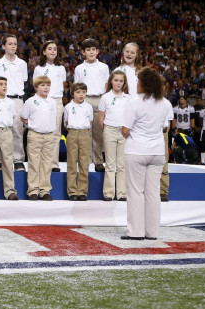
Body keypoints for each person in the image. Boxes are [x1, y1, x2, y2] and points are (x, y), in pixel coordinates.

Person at [121, 67, 173, 240]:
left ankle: (136, 232)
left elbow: (125, 130)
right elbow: (165, 127)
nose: (136, 84)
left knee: (135, 192)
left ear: (144, 83)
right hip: (157, 152)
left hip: (137, 151)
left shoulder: (134, 102)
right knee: (153, 192)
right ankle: (152, 232)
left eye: (138, 81)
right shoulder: (165, 103)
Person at [0, 34, 28, 171]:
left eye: (15, 44)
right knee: (2, 130)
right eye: (10, 44)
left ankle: (18, 159)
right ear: (3, 46)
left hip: (17, 100)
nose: (13, 46)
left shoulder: (22, 64)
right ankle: (0, 160)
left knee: (17, 130)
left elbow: (23, 81)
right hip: (2, 100)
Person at [73, 38, 110, 171]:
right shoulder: (79, 68)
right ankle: (85, 161)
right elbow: (77, 86)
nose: (91, 52)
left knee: (99, 133)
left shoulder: (104, 67)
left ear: (98, 51)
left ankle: (98, 161)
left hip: (100, 99)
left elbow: (107, 85)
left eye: (93, 49)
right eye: (88, 50)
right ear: (83, 52)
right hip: (85, 100)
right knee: (84, 133)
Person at [21, 75, 58, 201]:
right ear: (36, 87)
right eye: (42, 85)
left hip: (49, 135)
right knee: (34, 163)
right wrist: (33, 125)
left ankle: (45, 190)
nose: (46, 88)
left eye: (48, 85)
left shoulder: (53, 102)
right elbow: (23, 117)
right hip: (35, 135)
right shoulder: (30, 101)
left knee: (47, 164)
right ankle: (33, 190)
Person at [32, 40, 67, 172]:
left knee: (56, 133)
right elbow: (36, 87)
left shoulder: (61, 68)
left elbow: (62, 85)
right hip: (42, 101)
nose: (53, 51)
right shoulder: (39, 69)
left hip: (57, 101)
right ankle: (40, 161)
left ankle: (53, 163)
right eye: (50, 48)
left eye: (55, 49)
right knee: (41, 131)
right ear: (44, 52)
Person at [98, 70, 132, 201]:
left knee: (122, 164)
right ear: (111, 81)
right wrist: (106, 129)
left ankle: (122, 193)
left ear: (124, 83)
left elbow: (131, 117)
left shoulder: (129, 98)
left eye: (121, 81)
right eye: (116, 80)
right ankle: (108, 193)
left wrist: (126, 131)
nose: (118, 83)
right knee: (110, 163)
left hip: (123, 132)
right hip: (110, 130)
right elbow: (101, 118)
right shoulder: (105, 97)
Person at [64, 82, 93, 201]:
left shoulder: (88, 107)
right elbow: (66, 123)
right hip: (72, 133)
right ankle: (72, 191)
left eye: (83, 92)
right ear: (72, 94)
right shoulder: (68, 107)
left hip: (85, 134)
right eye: (78, 92)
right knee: (71, 163)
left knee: (84, 163)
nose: (81, 94)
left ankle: (82, 191)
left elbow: (90, 121)